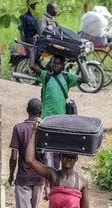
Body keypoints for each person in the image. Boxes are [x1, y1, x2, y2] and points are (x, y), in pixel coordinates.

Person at [29, 39, 89, 171]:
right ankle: (49, 177)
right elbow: (32, 65)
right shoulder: (46, 76)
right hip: (46, 120)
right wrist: (34, 45)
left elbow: (86, 79)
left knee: (59, 150)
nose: (55, 65)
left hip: (61, 121)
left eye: (58, 64)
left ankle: (57, 176)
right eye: (53, 63)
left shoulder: (68, 78)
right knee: (46, 152)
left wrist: (78, 59)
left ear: (63, 66)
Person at [8, 98, 44, 208]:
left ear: (26, 110)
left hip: (22, 178)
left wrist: (10, 175)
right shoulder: (44, 129)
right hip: (39, 178)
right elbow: (47, 157)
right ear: (40, 112)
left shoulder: (18, 128)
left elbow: (14, 156)